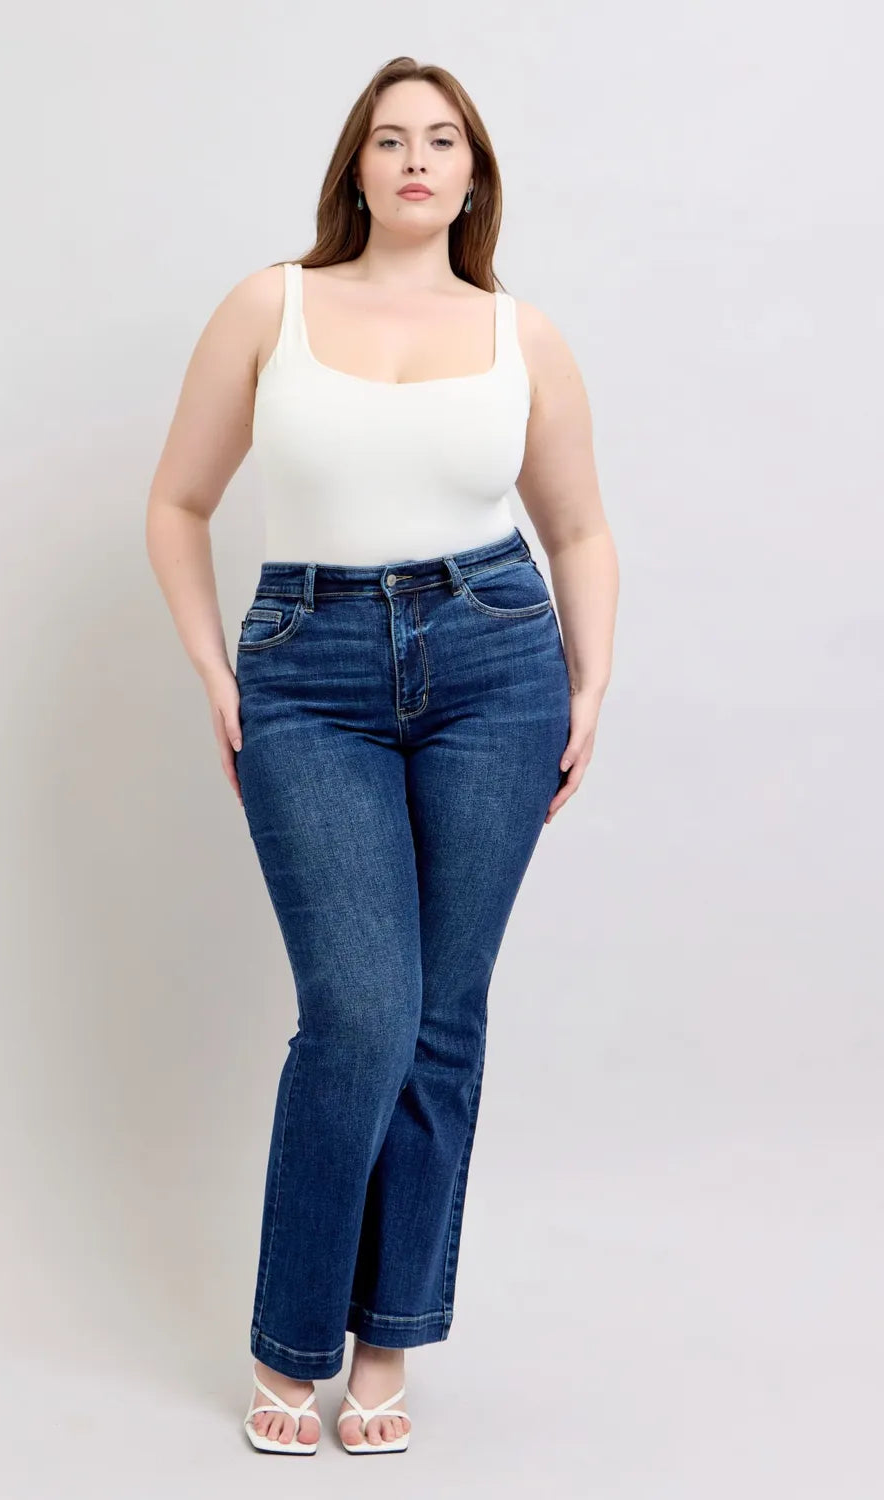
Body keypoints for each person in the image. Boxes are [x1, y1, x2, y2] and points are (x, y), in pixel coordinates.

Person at [146, 55, 618, 1456]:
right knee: (359, 1009)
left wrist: (593, 680)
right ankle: (292, 1343)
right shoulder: (267, 308)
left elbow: (579, 526)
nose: (418, 159)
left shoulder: (520, 333)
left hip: (496, 663)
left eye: (445, 140)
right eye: (391, 139)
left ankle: (386, 1350)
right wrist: (216, 674)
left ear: (474, 176)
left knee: (442, 1017)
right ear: (355, 168)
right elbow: (178, 502)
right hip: (312, 669)